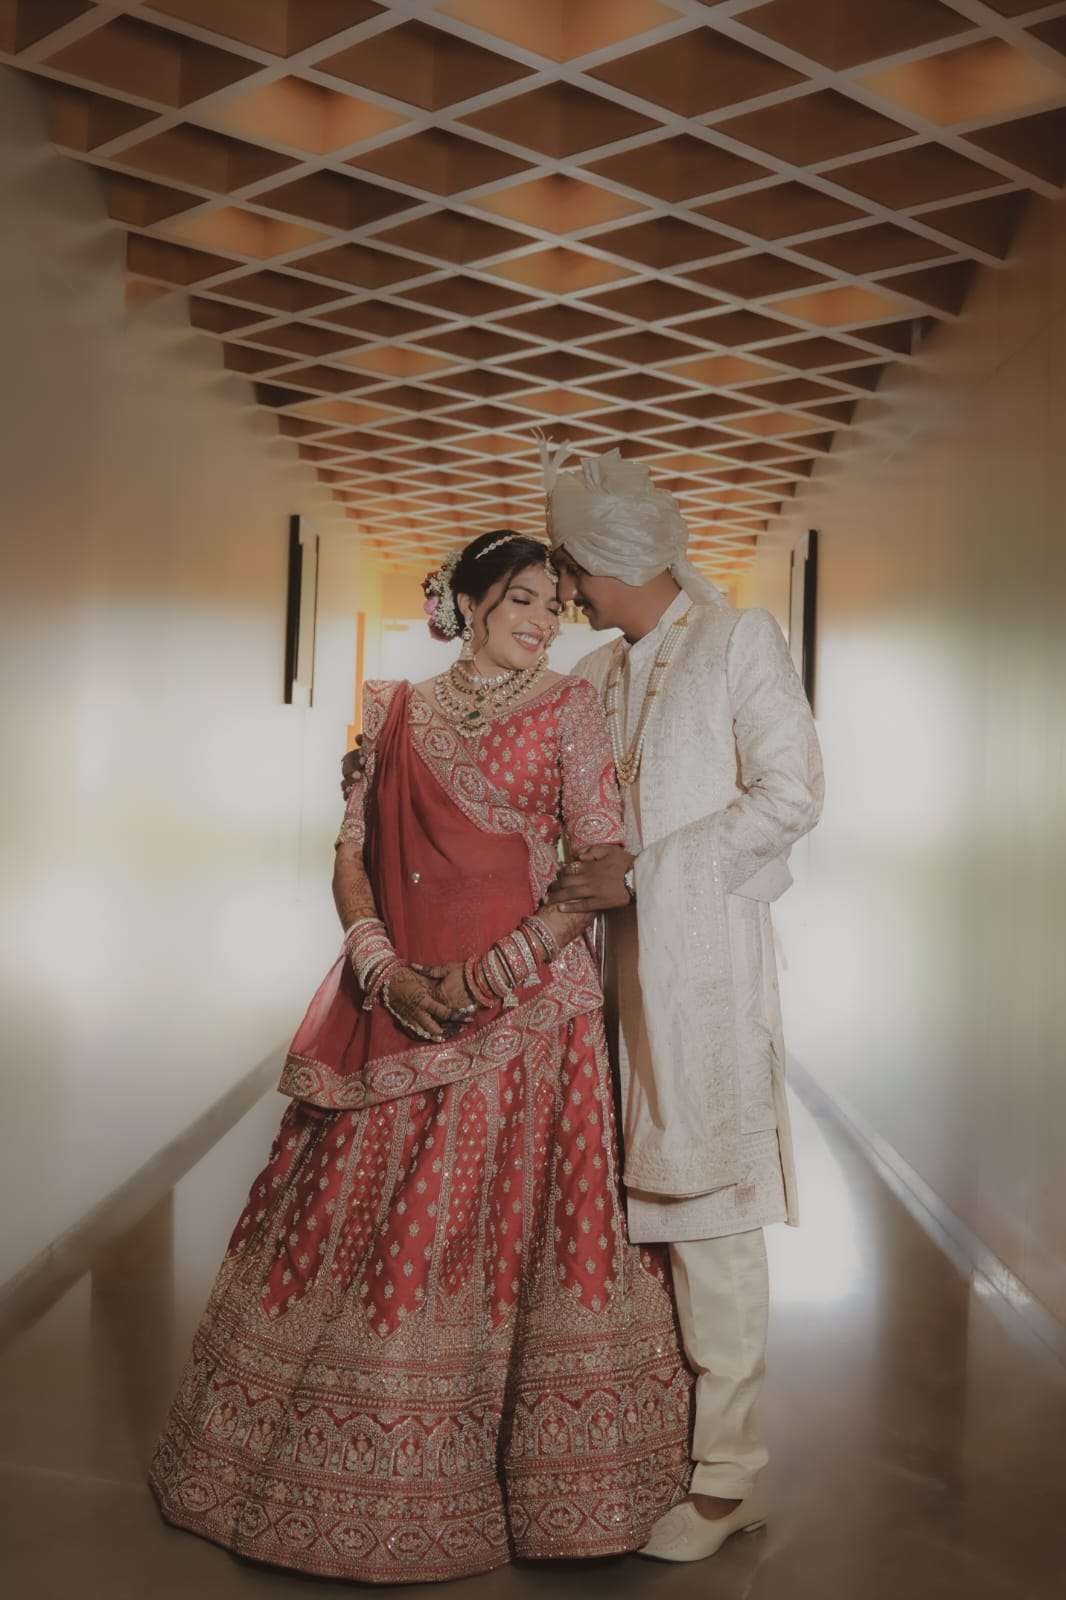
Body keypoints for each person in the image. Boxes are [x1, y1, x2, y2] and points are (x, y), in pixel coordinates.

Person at [149, 529, 694, 1586]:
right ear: (470, 603)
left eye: (554, 604)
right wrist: (384, 971)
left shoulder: (571, 709)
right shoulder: (393, 709)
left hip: (529, 1025)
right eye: (522, 599)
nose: (543, 622)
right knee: (373, 1231)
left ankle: (545, 1488)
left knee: (508, 1245)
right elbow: (350, 855)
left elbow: (598, 865)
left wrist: (491, 975)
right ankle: (350, 1478)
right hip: (397, 1008)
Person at [540, 445, 824, 1562]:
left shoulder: (737, 641)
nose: (566, 588)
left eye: (570, 567)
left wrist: (647, 873)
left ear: (610, 559)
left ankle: (728, 1479)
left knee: (709, 1216)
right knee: (621, 1223)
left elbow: (791, 795)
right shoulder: (594, 675)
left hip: (698, 976)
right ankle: (656, 1445)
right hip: (594, 982)